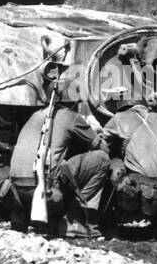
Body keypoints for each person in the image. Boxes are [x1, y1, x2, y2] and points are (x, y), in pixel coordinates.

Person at [100, 84, 157, 235]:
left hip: (142, 187)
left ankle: (108, 220)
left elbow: (100, 144)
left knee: (107, 162)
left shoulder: (118, 119)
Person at [43, 72, 110, 239]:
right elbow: (104, 149)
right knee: (102, 159)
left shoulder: (39, 115)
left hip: (20, 189)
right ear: (73, 102)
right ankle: (75, 219)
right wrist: (98, 135)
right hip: (50, 188)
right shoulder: (71, 116)